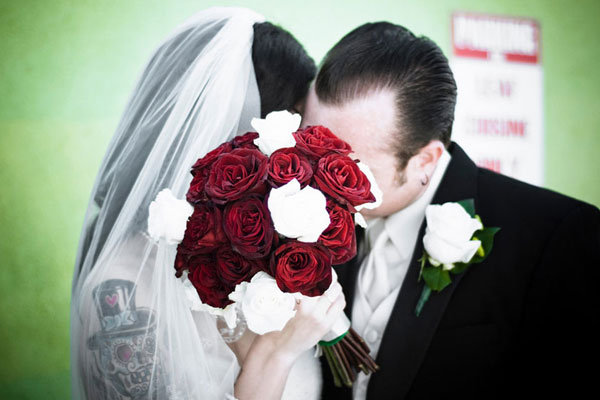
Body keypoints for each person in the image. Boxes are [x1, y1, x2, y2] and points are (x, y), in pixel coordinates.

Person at [301, 22, 600, 400]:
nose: (317, 182)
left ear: (425, 160)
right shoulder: (297, 216)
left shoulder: (556, 238)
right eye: (310, 149)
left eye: (348, 169)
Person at [70, 8, 344, 400]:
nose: (297, 156)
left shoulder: (256, 260)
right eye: (291, 131)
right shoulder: (121, 293)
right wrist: (276, 356)